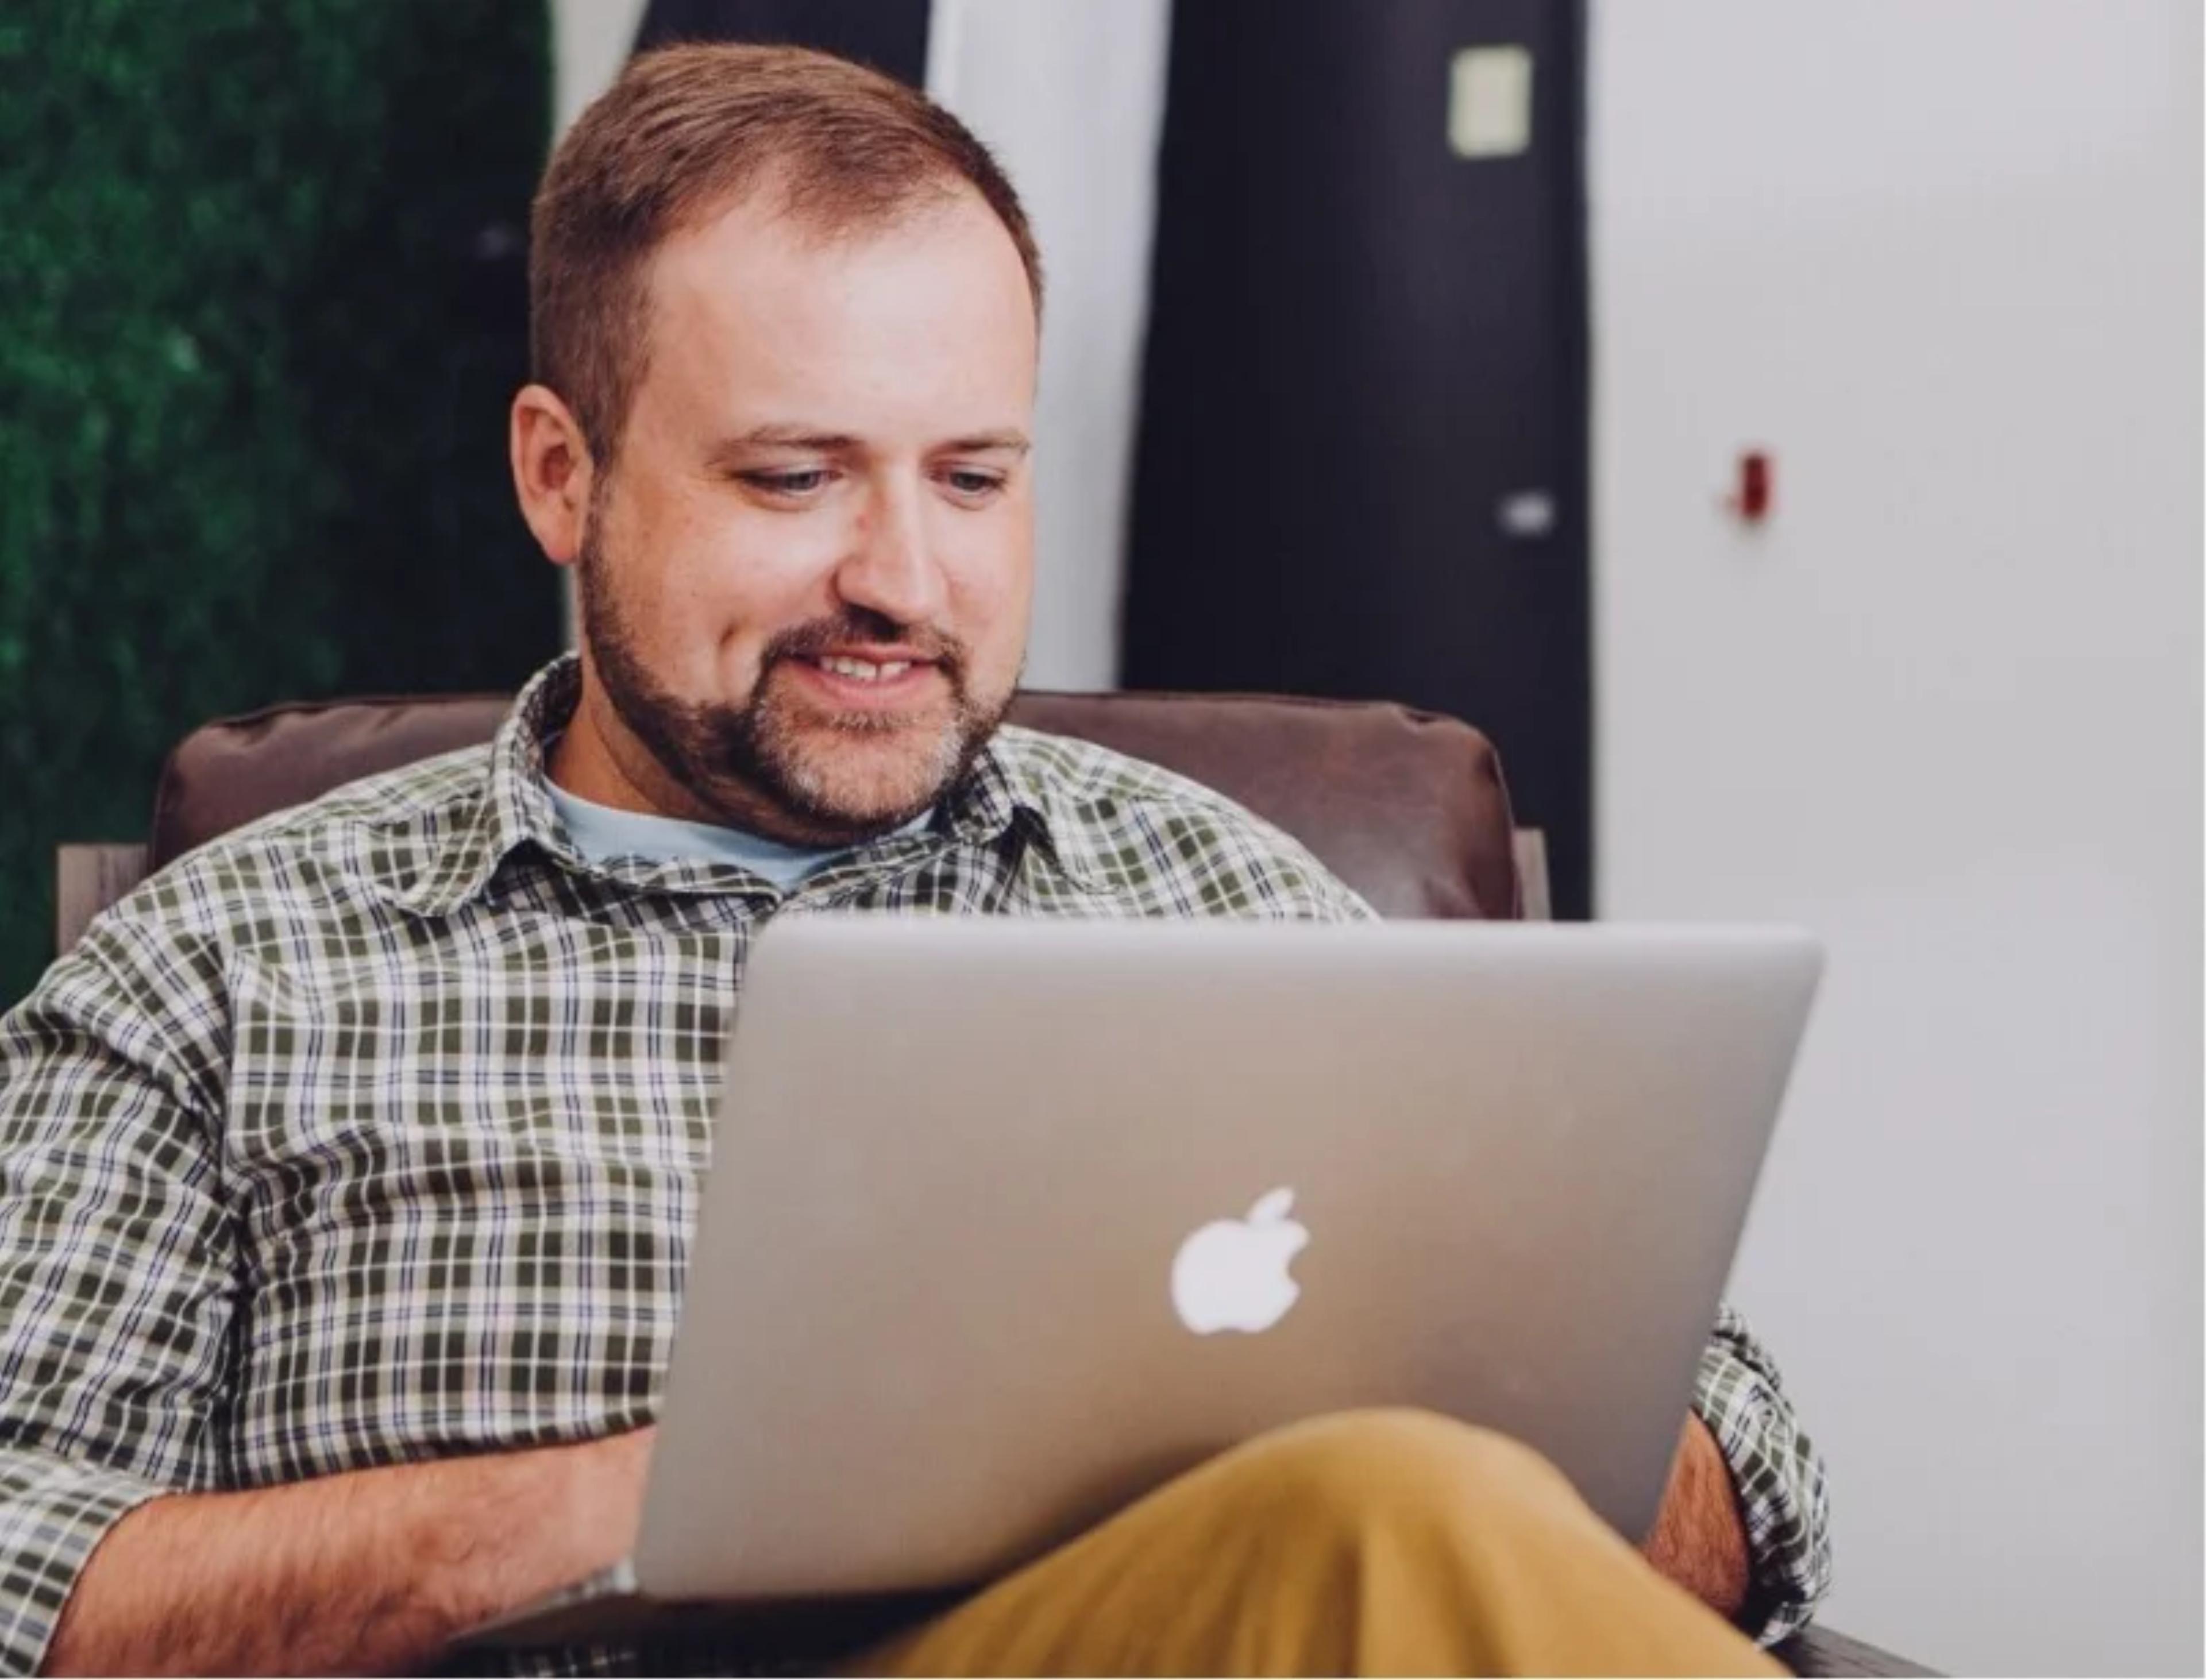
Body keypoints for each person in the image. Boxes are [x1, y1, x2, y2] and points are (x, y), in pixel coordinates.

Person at [0, 43, 1829, 1678]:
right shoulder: (226, 967)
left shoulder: (1225, 902)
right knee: (1383, 1520)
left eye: (972, 478)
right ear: (563, 475)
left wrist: (1388, 1415)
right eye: (797, 478)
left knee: (1384, 1508)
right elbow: (20, 1568)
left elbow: (1747, 1471)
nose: (904, 578)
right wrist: (667, 1499)